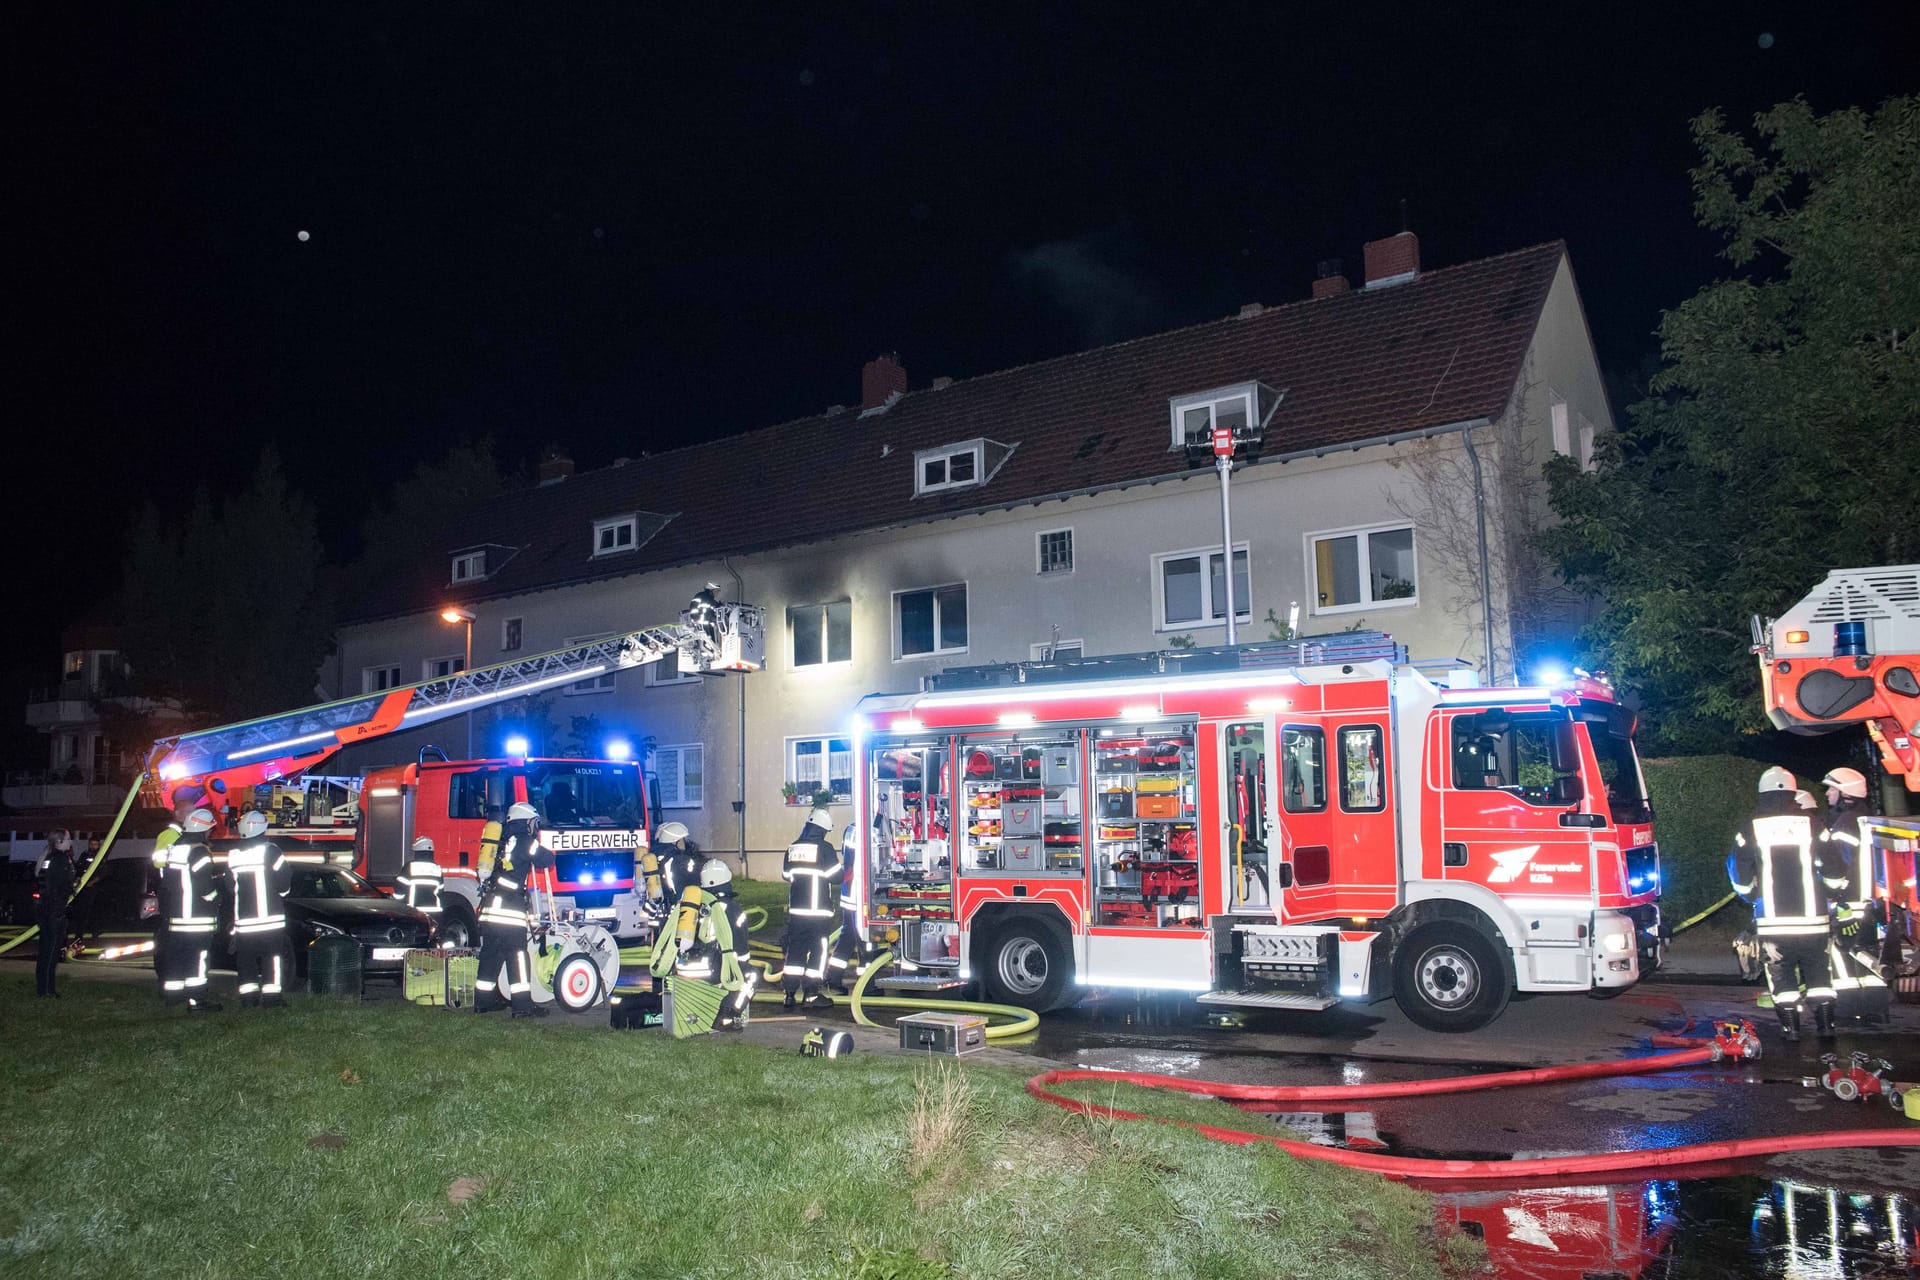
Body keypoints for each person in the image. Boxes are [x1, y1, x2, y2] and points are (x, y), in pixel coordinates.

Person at [1728, 766, 1833, 1041]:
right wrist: (1834, 893)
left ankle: (1792, 1030)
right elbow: (1835, 866)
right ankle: (1826, 1027)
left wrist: (1750, 895)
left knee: (1781, 974)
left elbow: (1738, 869)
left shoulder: (1751, 826)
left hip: (1774, 922)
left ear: (1762, 793)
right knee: (1819, 973)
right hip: (1814, 920)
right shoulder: (1813, 823)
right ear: (1792, 792)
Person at [1816, 766, 1890, 1019]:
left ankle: (1848, 1011)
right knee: (1868, 960)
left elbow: (1840, 869)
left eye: (1831, 788)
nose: (1827, 793)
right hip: (1867, 906)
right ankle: (1874, 1012)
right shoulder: (1863, 818)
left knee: (1843, 958)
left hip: (1849, 905)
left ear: (1845, 792)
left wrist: (1834, 900)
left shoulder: (1845, 824)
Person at [647, 856, 752, 1032]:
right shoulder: (732, 909)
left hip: (683, 969)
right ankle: (728, 1015)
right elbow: (741, 949)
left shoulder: (692, 905)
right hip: (709, 971)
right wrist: (739, 968)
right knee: (750, 975)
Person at [474, 802, 554, 1018]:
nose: (535, 827)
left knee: (491, 954)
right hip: (510, 910)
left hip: (491, 909)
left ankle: (483, 1002)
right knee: (517, 957)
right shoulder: (525, 841)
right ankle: (522, 1007)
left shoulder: (501, 841)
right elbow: (547, 859)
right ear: (526, 822)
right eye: (534, 823)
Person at [158, 808, 222, 1011]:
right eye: (210, 829)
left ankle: (173, 996)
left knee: (176, 957)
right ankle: (197, 1001)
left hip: (177, 918)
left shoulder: (175, 848)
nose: (210, 833)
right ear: (203, 829)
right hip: (197, 919)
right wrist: (216, 899)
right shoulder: (200, 851)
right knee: (198, 959)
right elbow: (205, 887)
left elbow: (167, 881)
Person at [227, 811, 292, 1008]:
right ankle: (272, 999)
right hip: (270, 921)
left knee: (245, 961)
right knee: (272, 959)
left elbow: (229, 887)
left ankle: (249, 999)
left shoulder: (234, 855)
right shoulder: (271, 852)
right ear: (263, 828)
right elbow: (284, 883)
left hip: (244, 922)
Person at [781, 807, 840, 1009]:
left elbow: (787, 875)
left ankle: (789, 994)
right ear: (823, 829)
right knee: (819, 951)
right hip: (818, 912)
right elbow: (837, 877)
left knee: (795, 952)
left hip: (797, 912)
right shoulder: (825, 849)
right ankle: (811, 994)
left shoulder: (793, 847)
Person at [34, 830, 77, 997]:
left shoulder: (48, 856)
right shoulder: (60, 858)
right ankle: (47, 990)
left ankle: (43, 988)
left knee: (45, 949)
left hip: (44, 909)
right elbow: (58, 885)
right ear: (59, 841)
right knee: (51, 951)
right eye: (67, 838)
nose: (70, 841)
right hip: (54, 911)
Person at [827, 823, 862, 994]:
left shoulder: (850, 828)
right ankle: (866, 984)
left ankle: (834, 977)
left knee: (848, 935)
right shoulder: (866, 827)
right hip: (859, 893)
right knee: (864, 938)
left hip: (849, 890)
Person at [396, 836, 445, 920]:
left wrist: (398, 905)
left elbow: (399, 890)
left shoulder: (409, 867)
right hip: (434, 912)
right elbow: (440, 892)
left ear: (417, 852)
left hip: (414, 911)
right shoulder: (437, 868)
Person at [656, 822, 701, 904]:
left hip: (667, 903)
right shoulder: (681, 860)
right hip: (681, 904)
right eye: (683, 839)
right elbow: (689, 883)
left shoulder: (662, 859)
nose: (685, 843)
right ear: (676, 841)